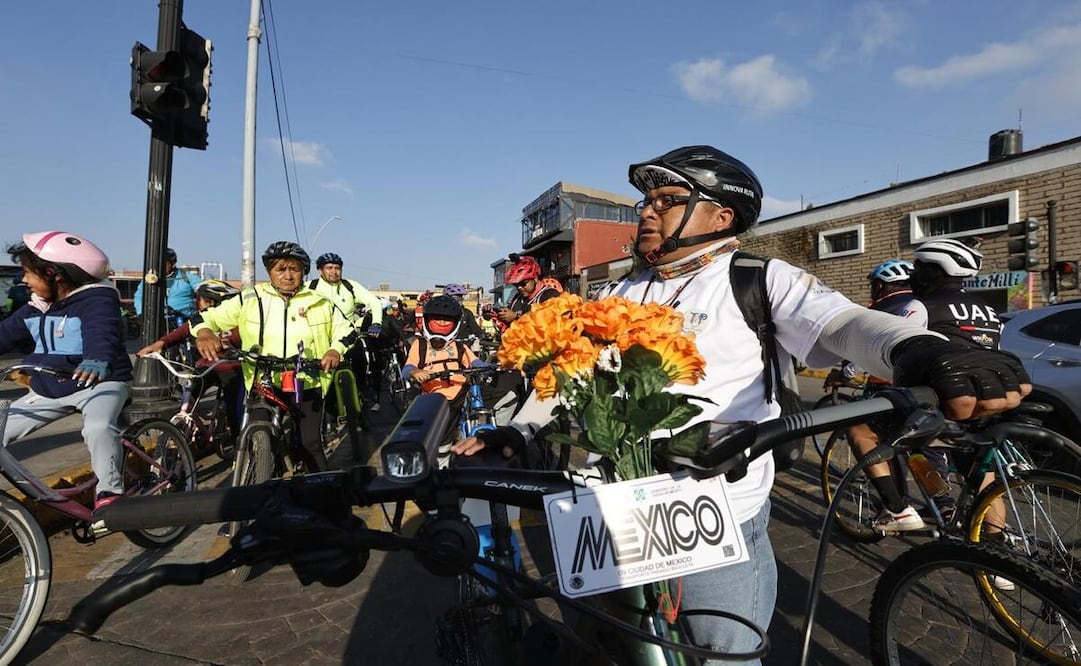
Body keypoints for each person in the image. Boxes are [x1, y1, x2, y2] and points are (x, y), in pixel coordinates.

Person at [452, 145, 1029, 663]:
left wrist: (921, 350)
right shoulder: (616, 292)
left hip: (710, 506)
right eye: (644, 201)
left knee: (724, 652)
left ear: (721, 217)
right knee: (603, 641)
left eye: (668, 200)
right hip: (609, 507)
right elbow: (567, 374)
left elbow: (844, 323)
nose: (646, 212)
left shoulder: (756, 277)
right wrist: (523, 431)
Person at [0, 231, 134, 521]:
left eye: (28, 273)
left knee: (98, 427)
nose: (24, 280)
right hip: (51, 388)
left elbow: (103, 331)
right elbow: (5, 335)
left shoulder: (97, 300)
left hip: (100, 382)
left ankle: (111, 496)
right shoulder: (37, 307)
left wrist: (96, 359)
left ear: (53, 274)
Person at [190, 242, 353, 473]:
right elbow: (203, 318)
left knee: (310, 445)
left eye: (294, 269)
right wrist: (205, 333)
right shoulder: (250, 298)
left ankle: (325, 498)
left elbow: (347, 331)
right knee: (259, 438)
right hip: (262, 382)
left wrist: (334, 350)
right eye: (280, 269)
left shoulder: (320, 302)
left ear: (303, 272)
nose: (287, 275)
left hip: (307, 382)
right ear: (269, 272)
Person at [403, 295, 517, 452]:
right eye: (438, 318)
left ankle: (496, 437)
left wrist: (496, 365)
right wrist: (415, 372)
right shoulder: (420, 345)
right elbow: (407, 369)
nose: (442, 322)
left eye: (447, 319)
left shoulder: (459, 346)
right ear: (427, 320)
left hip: (464, 392)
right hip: (436, 399)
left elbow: (476, 363)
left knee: (508, 399)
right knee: (443, 447)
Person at [137, 279, 245, 441]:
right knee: (187, 395)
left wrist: (229, 344)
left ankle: (240, 449)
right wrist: (161, 344)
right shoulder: (199, 320)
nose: (203, 306)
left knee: (235, 413)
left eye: (209, 302)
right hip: (207, 367)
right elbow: (182, 331)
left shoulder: (237, 320)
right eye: (202, 301)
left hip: (232, 368)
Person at [308, 252, 384, 412]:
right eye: (329, 268)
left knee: (362, 359)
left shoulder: (350, 286)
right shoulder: (310, 287)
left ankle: (363, 391)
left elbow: (374, 302)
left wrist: (376, 323)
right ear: (320, 270)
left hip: (347, 337)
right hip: (319, 339)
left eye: (337, 268)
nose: (334, 272)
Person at [133, 247, 201, 320]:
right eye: (157, 263)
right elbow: (139, 296)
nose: (159, 266)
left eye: (164, 263)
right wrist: (141, 312)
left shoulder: (186, 277)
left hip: (184, 318)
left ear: (172, 264)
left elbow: (202, 287)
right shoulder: (150, 279)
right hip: (157, 319)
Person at [495, 255, 562, 327]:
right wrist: (499, 316)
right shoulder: (517, 299)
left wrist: (516, 316)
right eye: (516, 285)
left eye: (524, 284)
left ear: (535, 278)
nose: (519, 288)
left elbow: (549, 321)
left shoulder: (550, 295)